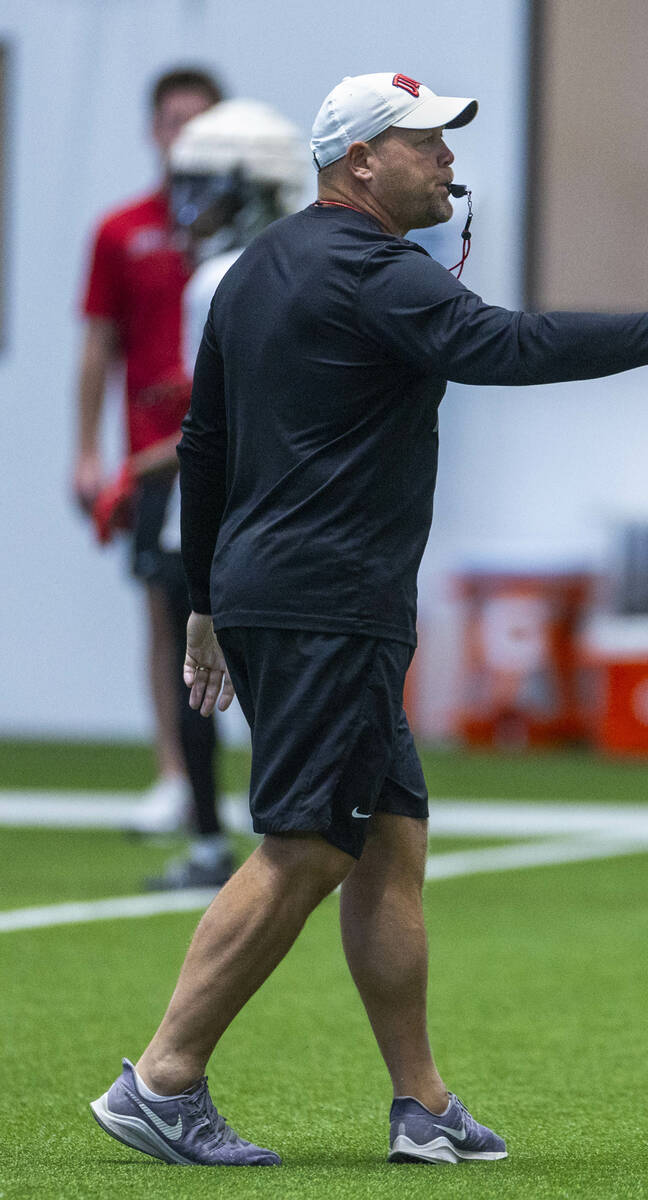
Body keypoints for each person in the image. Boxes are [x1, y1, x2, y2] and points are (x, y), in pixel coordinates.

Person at [90, 71, 648, 1168]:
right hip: (328, 605)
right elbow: (513, 348)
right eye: (427, 143)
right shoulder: (377, 274)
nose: (450, 161)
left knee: (389, 843)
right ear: (361, 160)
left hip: (274, 593)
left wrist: (209, 600)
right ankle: (162, 1080)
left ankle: (422, 1105)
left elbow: (205, 443)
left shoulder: (256, 268)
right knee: (308, 846)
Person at [128, 98, 312, 889]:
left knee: (203, 675)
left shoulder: (216, 278)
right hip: (274, 507)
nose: (190, 208)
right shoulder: (298, 262)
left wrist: (151, 465)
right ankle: (289, 835)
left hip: (216, 509)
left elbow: (215, 418)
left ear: (253, 187)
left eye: (207, 188)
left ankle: (215, 842)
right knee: (265, 683)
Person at [74, 65, 224, 836]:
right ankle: (177, 773)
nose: (184, 136)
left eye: (200, 121)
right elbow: (98, 345)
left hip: (233, 452)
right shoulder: (121, 230)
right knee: (168, 616)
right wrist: (87, 452)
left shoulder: (242, 239)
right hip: (154, 456)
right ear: (152, 128)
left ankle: (275, 780)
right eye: (172, 120)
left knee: (245, 611)